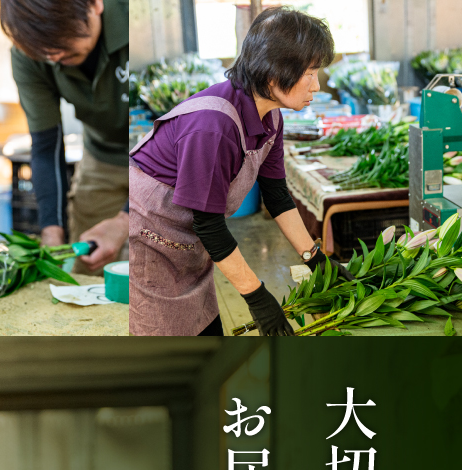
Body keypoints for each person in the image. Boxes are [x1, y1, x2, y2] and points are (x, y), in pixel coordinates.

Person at [128, 7, 352, 337]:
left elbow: (277, 195)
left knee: (203, 328)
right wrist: (259, 298)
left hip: (188, 242)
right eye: (310, 73)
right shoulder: (213, 127)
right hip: (151, 243)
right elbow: (209, 224)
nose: (316, 86)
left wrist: (314, 257)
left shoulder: (271, 118)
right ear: (275, 76)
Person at [0, 0, 129, 272]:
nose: (56, 55)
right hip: (102, 155)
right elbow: (46, 145)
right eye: (45, 52)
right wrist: (51, 230)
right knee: (88, 266)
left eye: (62, 38)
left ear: (95, 4)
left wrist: (125, 221)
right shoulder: (31, 53)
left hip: (163, 151)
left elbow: (173, 131)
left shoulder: (136, 18)